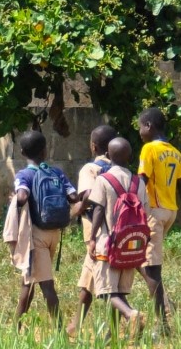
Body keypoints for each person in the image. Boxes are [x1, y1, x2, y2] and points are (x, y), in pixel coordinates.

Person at [2, 130, 78, 329]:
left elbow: (22, 197)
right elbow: (74, 198)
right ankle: (16, 328)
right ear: (45, 151)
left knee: (46, 285)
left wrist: (14, 202)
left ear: (21, 152)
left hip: (36, 236)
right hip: (54, 234)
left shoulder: (24, 174)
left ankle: (60, 333)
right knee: (28, 282)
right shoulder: (57, 173)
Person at [136, 107, 181, 333]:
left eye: (140, 127)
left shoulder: (149, 149)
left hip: (154, 211)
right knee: (138, 258)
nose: (139, 132)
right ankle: (164, 300)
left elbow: (141, 181)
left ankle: (163, 324)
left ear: (149, 126)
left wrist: (128, 208)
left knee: (152, 269)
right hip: (170, 211)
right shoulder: (175, 151)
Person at [87, 137, 149, 339]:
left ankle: (131, 314)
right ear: (130, 156)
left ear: (108, 155)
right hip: (131, 245)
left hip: (109, 243)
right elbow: (145, 211)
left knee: (106, 291)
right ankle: (111, 335)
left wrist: (93, 238)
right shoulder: (138, 182)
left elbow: (98, 209)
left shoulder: (103, 180)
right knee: (119, 292)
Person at [66, 125, 118, 336]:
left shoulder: (90, 169)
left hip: (96, 233)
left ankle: (129, 317)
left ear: (93, 146)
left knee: (107, 285)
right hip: (116, 230)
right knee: (89, 280)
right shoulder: (119, 169)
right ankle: (76, 325)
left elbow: (88, 196)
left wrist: (76, 209)